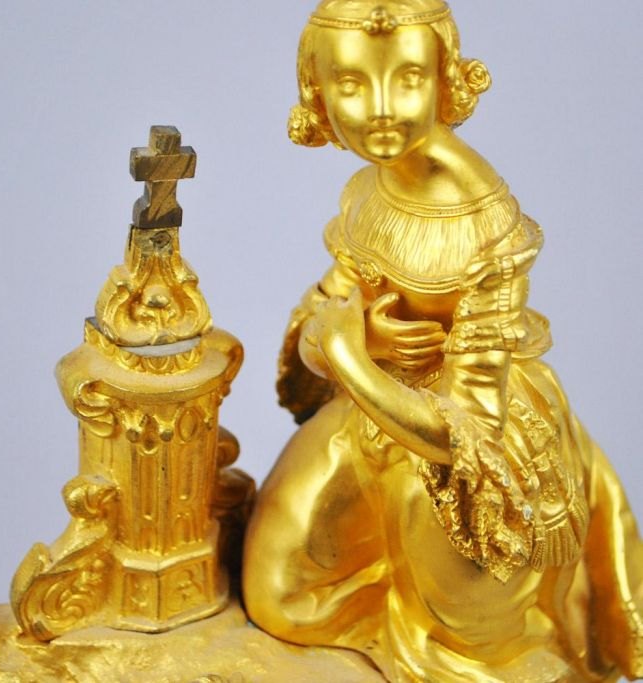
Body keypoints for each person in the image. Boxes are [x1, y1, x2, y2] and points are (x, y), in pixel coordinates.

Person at [243, 2, 643, 681]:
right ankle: (369, 631)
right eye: (350, 83)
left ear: (443, 77)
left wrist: (348, 356)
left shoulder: (486, 223)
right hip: (373, 409)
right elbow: (323, 315)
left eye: (406, 78)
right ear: (316, 93)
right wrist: (352, 338)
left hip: (475, 454)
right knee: (278, 594)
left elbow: (470, 432)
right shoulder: (365, 189)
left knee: (472, 642)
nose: (380, 109)